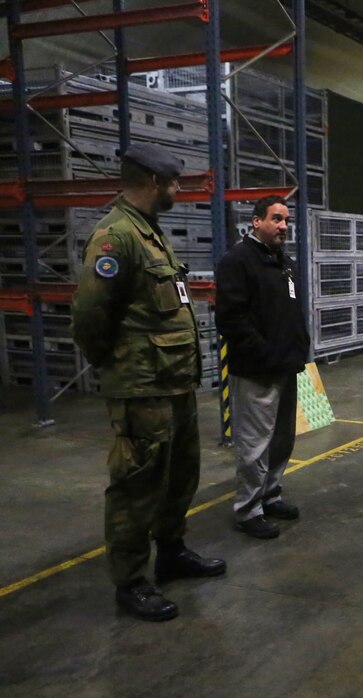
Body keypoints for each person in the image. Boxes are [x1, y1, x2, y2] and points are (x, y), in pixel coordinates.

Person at [72, 143, 226, 622]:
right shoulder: (116, 237)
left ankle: (173, 552)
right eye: (175, 183)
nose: (179, 190)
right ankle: (131, 581)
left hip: (173, 383)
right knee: (137, 485)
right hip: (141, 388)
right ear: (155, 183)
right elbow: (90, 315)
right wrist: (116, 366)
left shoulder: (150, 234)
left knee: (179, 477)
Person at [215, 195, 311, 540]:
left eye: (286, 220)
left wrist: (299, 347)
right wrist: (266, 353)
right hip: (257, 369)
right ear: (256, 221)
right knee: (254, 443)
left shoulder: (282, 261)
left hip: (287, 366)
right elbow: (231, 319)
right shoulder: (238, 261)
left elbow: (291, 310)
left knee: (281, 440)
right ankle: (248, 509)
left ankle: (270, 494)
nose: (283, 226)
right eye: (276, 219)